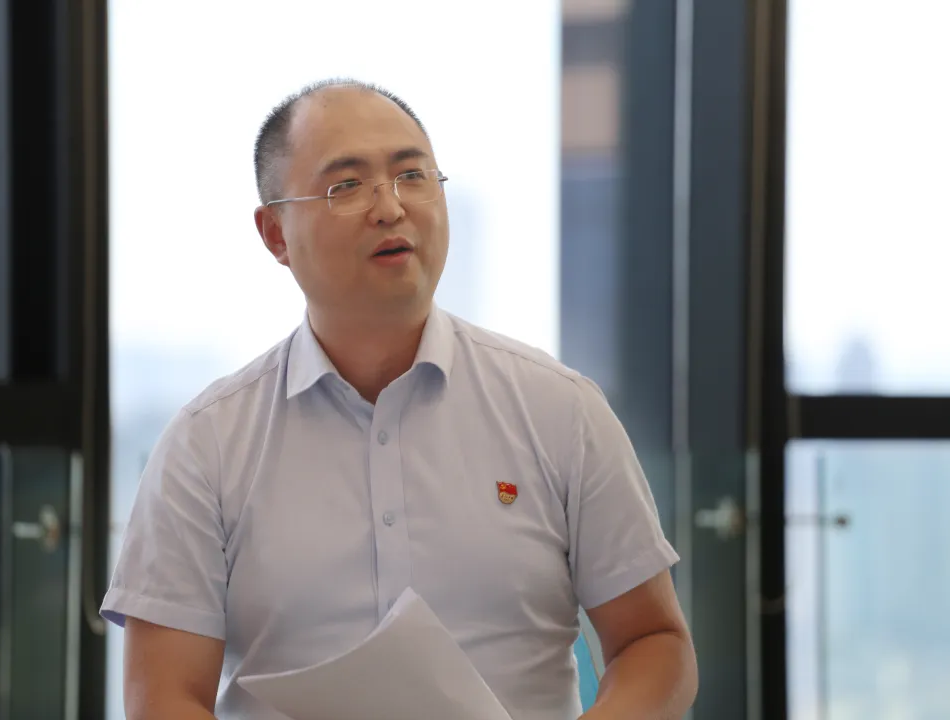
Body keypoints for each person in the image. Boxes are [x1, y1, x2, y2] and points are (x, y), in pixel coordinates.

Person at [101, 78, 698, 720]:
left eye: (412, 176)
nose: (389, 207)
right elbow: (164, 696)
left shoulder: (561, 410)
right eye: (346, 186)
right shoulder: (206, 445)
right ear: (275, 233)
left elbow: (653, 642)